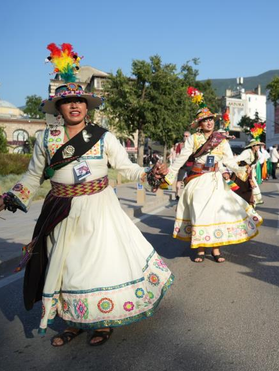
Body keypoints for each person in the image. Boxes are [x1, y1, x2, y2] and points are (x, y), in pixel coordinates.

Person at [0, 43, 173, 346]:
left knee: (98, 263)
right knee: (68, 265)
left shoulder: (102, 137)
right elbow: (31, 176)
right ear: (58, 108)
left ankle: (101, 321)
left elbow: (127, 167)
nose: (75, 105)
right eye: (68, 102)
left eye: (80, 100)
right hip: (61, 209)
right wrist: (11, 196)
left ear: (87, 105)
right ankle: (73, 321)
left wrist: (148, 175)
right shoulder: (45, 138)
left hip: (99, 208)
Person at [163, 88, 263, 263]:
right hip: (198, 178)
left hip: (216, 180)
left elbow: (230, 161)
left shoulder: (221, 140)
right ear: (199, 123)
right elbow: (182, 158)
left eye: (210, 120)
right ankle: (200, 249)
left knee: (216, 212)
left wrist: (242, 168)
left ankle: (216, 249)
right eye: (205, 120)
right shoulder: (193, 139)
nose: (209, 123)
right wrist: (170, 174)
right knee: (199, 211)